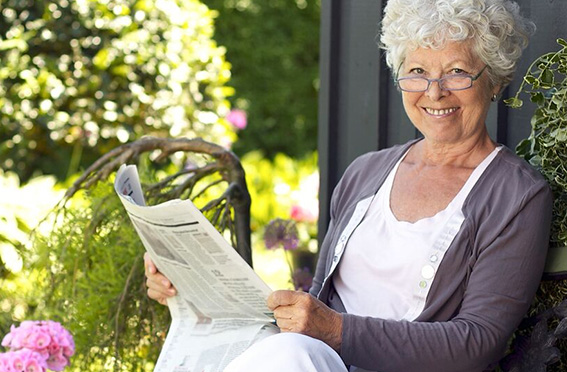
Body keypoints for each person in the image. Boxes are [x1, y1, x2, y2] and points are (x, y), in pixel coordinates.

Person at [144, 0, 553, 371]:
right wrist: (194, 287)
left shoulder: (517, 195)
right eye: (417, 72)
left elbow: (476, 343)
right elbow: (318, 308)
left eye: (457, 72)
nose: (434, 92)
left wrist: (337, 331)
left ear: (495, 79)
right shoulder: (365, 173)